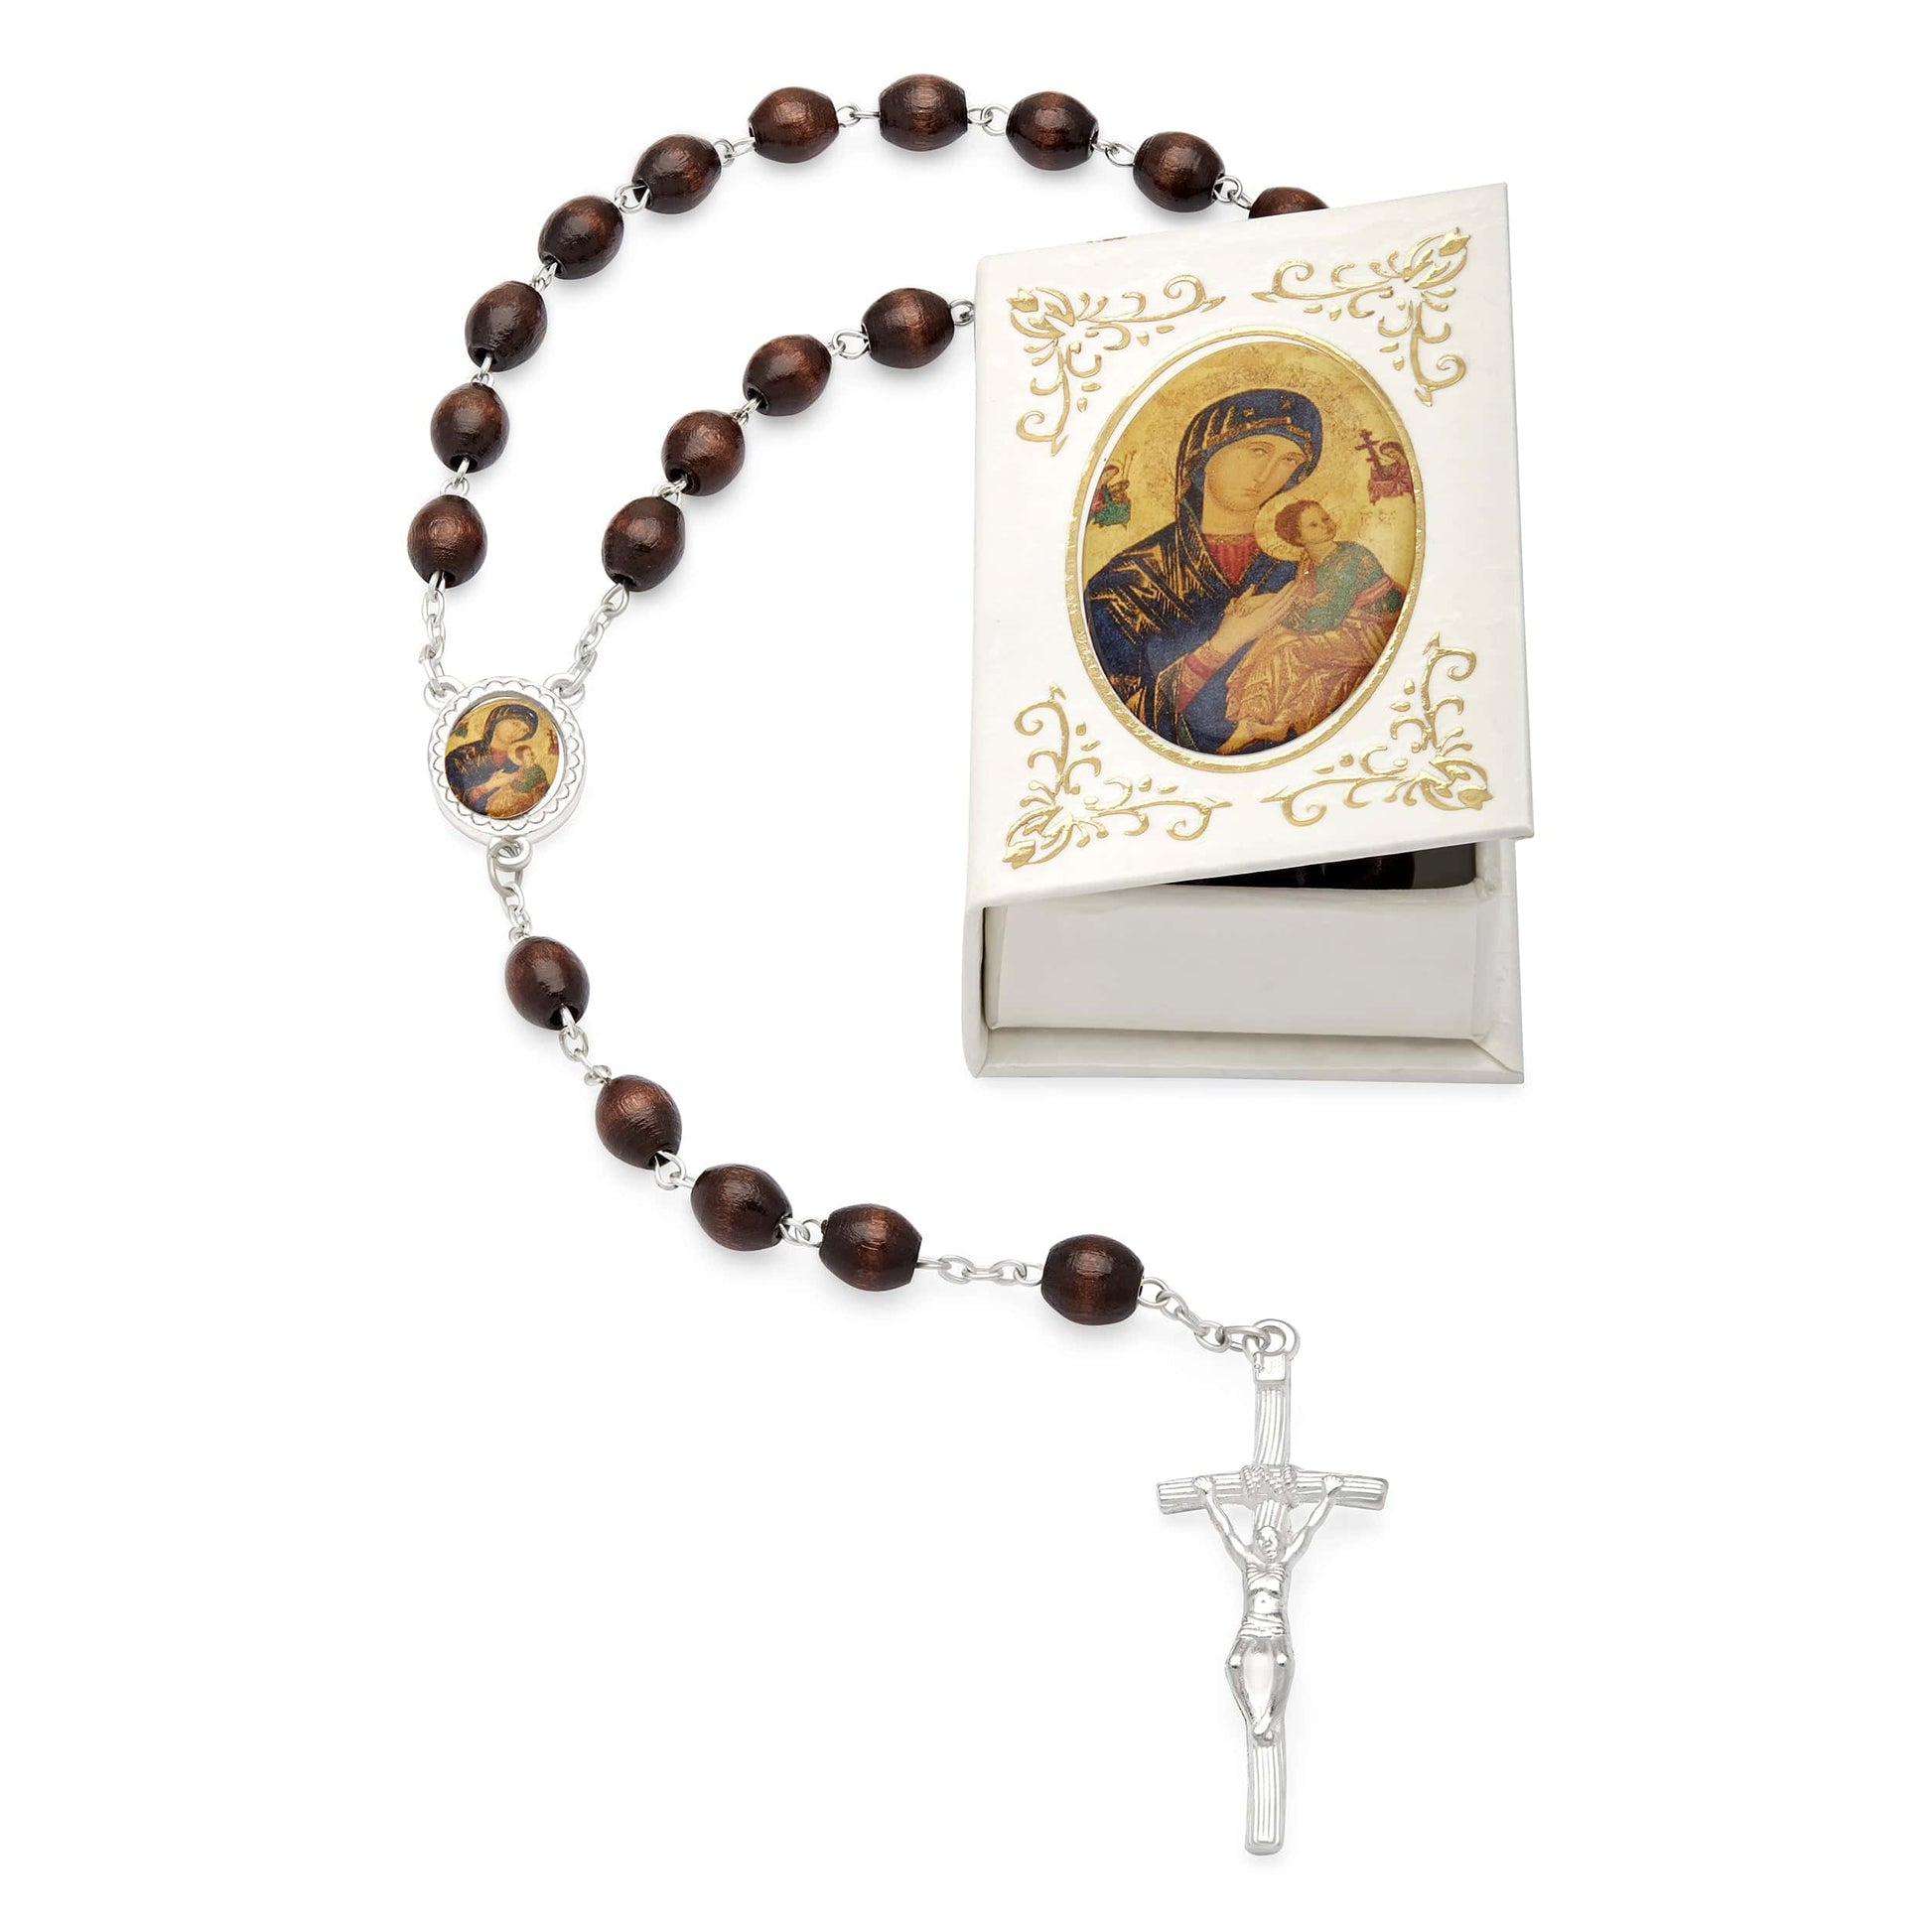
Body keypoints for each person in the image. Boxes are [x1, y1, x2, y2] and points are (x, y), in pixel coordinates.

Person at [1082, 389, 1324, 755]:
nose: (1266, 474)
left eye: (1289, 460)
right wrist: (1222, 644)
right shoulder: (1126, 583)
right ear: (1206, 456)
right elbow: (1114, 718)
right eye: (1258, 450)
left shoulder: (1299, 570)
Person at [1218, 500, 1406, 753]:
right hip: (1344, 627)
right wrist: (1256, 604)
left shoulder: (1350, 558)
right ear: (1298, 537)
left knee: (1288, 648)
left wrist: (1267, 608)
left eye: (1325, 518)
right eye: (1314, 525)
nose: (1325, 526)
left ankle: (1262, 722)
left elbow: (1325, 615)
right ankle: (1251, 722)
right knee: (1274, 638)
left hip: (1369, 630)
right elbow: (1303, 599)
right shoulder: (1309, 561)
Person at [1195, 1470, 1345, 1743]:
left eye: (1272, 1538)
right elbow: (1226, 1530)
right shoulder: (1247, 1562)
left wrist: (1328, 1497)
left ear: (1281, 1540)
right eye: (1262, 1539)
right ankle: (1254, 1719)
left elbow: (1309, 1529)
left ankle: (1269, 1718)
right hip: (1251, 1625)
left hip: (1275, 1626)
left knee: (1283, 1660)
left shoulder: (1285, 1562)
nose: (1267, 1543)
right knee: (1233, 1663)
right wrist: (1209, 1499)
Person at [444, 702, 549, 816]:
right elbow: (454, 799)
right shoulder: (461, 757)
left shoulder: (518, 766)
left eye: (524, 730)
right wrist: (488, 786)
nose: (517, 732)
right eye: (515, 724)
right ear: (496, 720)